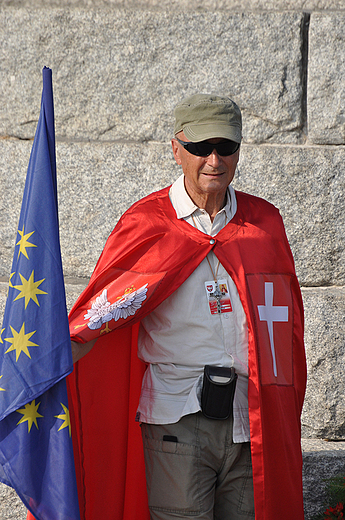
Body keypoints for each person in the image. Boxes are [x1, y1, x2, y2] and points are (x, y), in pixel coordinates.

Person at [68, 94, 307, 520]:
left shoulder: (264, 225)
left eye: (225, 147)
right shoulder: (148, 224)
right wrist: (37, 369)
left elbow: (286, 337)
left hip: (251, 424)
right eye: (199, 148)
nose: (213, 160)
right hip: (176, 421)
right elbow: (98, 318)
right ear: (175, 149)